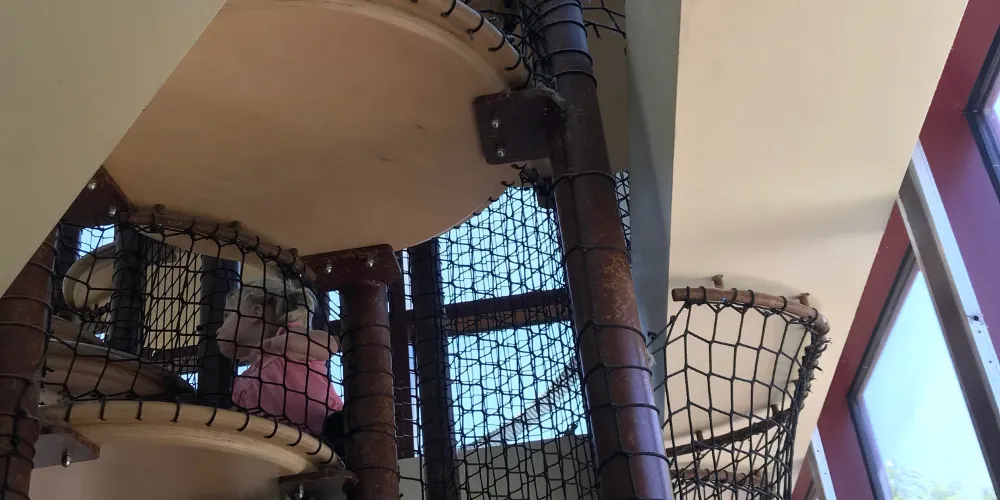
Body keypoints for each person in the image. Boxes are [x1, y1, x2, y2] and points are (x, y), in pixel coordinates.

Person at [215, 275, 343, 437]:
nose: (218, 330)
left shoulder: (288, 338)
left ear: (255, 312)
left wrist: (277, 343)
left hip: (331, 433)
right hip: (289, 445)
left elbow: (329, 345)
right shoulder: (241, 383)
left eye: (227, 316)